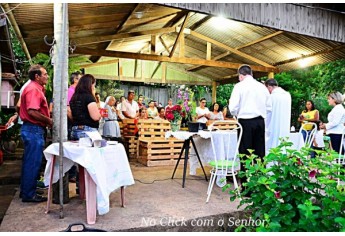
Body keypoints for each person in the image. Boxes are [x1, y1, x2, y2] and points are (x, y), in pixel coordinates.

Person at [229, 65, 272, 188]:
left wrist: (237, 114)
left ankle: (246, 187)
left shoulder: (239, 86)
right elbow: (269, 107)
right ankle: (261, 185)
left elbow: (232, 108)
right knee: (259, 153)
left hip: (245, 122)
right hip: (260, 122)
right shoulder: (262, 87)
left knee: (244, 153)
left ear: (241, 75)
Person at [19, 64, 52, 202]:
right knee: (33, 162)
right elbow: (32, 111)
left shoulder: (35, 88)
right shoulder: (33, 89)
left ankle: (27, 191)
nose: (47, 76)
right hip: (33, 129)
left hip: (31, 129)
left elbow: (21, 107)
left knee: (30, 162)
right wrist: (49, 121)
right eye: (44, 74)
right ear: (37, 76)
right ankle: (28, 194)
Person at [69, 74, 101, 140]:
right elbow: (95, 117)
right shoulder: (89, 97)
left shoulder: (74, 97)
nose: (94, 88)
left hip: (75, 129)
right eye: (93, 85)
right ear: (90, 85)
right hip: (88, 130)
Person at [264, 78, 292, 155]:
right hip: (285, 127)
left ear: (269, 87)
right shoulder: (287, 95)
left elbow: (267, 112)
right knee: (283, 147)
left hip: (273, 126)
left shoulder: (271, 97)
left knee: (272, 147)